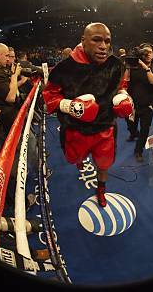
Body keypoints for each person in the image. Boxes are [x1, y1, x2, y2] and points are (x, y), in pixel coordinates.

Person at [42, 23, 133, 207]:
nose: (103, 46)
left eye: (107, 41)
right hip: (76, 130)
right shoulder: (64, 68)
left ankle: (101, 189)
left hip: (105, 128)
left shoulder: (115, 64)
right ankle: (80, 161)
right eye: (97, 40)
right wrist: (70, 106)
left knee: (103, 165)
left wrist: (123, 98)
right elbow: (50, 95)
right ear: (83, 41)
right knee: (76, 157)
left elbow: (121, 87)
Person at [126, 43, 153, 162]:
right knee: (131, 125)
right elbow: (126, 81)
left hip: (147, 106)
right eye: (144, 52)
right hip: (133, 105)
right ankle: (133, 133)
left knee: (144, 130)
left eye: (150, 53)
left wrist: (146, 68)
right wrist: (128, 67)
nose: (147, 54)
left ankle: (138, 150)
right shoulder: (134, 68)